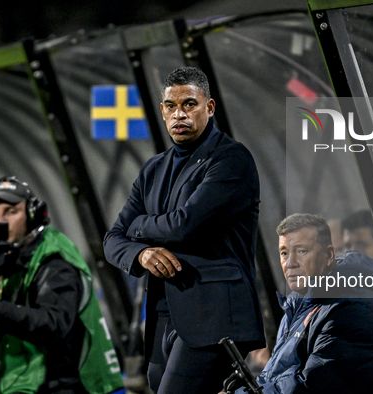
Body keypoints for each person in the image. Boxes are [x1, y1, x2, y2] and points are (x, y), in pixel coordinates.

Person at [103, 66, 265, 393]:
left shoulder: (232, 159)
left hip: (216, 314)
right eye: (170, 106)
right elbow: (112, 240)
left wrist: (138, 225)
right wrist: (142, 252)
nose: (179, 114)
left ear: (210, 107)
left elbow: (184, 226)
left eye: (189, 104)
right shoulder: (153, 168)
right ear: (162, 111)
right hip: (165, 312)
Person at [245, 213, 373, 393]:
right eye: (284, 253)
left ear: (329, 255)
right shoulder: (297, 308)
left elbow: (310, 386)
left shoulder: (353, 310)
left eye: (301, 251)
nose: (290, 263)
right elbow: (271, 376)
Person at [0, 176, 124, 394]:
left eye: (11, 211)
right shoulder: (9, 256)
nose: (1, 222)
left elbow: (54, 325)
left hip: (70, 383)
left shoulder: (55, 262)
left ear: (32, 215)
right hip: (25, 379)